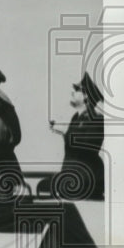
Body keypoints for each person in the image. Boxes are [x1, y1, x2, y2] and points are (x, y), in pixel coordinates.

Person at [39, 72, 105, 200]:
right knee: (45, 185)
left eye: (77, 90)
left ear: (86, 96)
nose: (72, 92)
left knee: (47, 187)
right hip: (75, 177)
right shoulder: (77, 118)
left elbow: (88, 145)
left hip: (85, 180)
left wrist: (65, 131)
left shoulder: (97, 119)